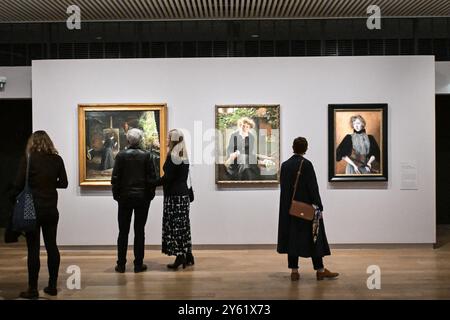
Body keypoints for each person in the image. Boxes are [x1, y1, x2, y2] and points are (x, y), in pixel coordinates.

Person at [12, 130, 68, 298]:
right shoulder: (57, 159)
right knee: (52, 246)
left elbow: (18, 184)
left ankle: (32, 289)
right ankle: (52, 286)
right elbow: (64, 183)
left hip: (32, 209)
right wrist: (50, 183)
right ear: (49, 143)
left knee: (33, 249)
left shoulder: (29, 159)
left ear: (32, 143)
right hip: (51, 209)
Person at [277, 137, 338, 281]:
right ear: (306, 149)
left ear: (293, 147)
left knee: (293, 239)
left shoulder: (285, 165)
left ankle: (294, 271)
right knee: (314, 237)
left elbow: (284, 189)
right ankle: (320, 270)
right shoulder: (307, 164)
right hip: (306, 209)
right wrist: (319, 206)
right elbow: (313, 187)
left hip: (290, 210)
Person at [111, 128, 157, 273]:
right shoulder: (147, 156)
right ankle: (138, 264)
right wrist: (150, 195)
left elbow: (115, 178)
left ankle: (121, 264)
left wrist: (116, 196)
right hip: (142, 198)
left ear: (128, 140)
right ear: (141, 140)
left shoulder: (121, 156)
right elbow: (151, 178)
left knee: (123, 231)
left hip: (124, 198)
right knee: (139, 231)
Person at [153, 129, 194, 270]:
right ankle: (188, 254)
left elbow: (167, 178)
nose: (166, 140)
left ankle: (180, 257)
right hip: (183, 196)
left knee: (175, 227)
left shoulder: (173, 156)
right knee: (183, 225)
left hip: (174, 197)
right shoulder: (184, 155)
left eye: (168, 138)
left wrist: (151, 183)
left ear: (173, 140)